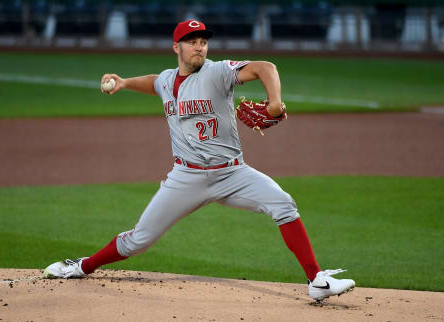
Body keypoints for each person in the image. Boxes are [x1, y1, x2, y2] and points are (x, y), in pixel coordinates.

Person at [44, 20, 355, 301]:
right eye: (192, 41)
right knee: (138, 241)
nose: (199, 47)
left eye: (203, 42)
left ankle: (317, 281)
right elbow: (155, 82)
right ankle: (83, 266)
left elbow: (266, 67)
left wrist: (274, 102)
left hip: (233, 174)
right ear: (176, 47)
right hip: (186, 178)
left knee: (284, 205)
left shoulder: (219, 72)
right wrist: (124, 82)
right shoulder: (167, 80)